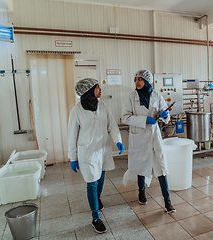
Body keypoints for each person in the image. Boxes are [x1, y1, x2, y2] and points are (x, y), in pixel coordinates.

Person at [68, 78, 125, 234]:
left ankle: (97, 198)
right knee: (92, 182)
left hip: (103, 149)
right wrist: (72, 157)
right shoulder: (77, 110)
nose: (100, 89)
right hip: (87, 152)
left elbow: (112, 125)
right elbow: (71, 136)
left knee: (100, 177)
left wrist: (118, 140)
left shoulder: (103, 106)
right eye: (97, 87)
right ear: (88, 90)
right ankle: (95, 217)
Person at [121, 70, 176, 213]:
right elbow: (125, 117)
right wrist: (144, 120)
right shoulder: (132, 97)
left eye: (140, 79)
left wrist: (164, 115)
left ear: (147, 81)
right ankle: (141, 192)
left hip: (154, 136)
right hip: (139, 136)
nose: (137, 82)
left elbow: (166, 116)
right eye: (135, 79)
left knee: (161, 167)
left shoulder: (157, 95)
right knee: (141, 166)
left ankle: (167, 201)